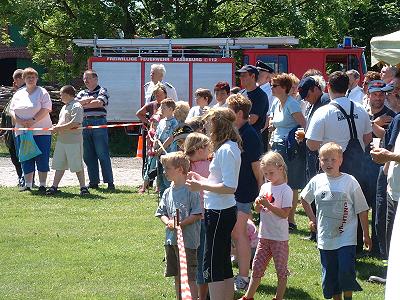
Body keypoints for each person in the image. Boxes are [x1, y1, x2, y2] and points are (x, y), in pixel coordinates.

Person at [306, 71, 372, 253]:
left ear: (328, 87)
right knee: (356, 203)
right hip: (358, 164)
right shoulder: (360, 109)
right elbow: (367, 138)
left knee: (333, 207)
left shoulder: (323, 111)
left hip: (332, 166)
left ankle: (334, 241)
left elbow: (311, 145)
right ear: (347, 87)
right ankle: (357, 241)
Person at [301, 142, 371, 300]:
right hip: (326, 237)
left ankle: (348, 297)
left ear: (341, 160)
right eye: (324, 159)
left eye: (333, 159)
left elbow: (362, 208)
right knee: (330, 274)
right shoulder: (317, 181)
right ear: (319, 160)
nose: (328, 163)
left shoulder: (349, 181)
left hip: (347, 237)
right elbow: (304, 199)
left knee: (346, 270)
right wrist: (312, 219)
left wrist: (366, 234)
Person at [186, 107, 241, 300]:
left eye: (209, 124)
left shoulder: (226, 150)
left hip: (219, 212)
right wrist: (202, 179)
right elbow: (221, 181)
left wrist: (201, 184)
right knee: (222, 264)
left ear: (218, 125)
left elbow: (229, 186)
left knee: (213, 265)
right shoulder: (228, 147)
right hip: (220, 210)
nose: (207, 128)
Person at [240, 151, 292, 300]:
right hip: (264, 236)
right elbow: (257, 209)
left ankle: (278, 297)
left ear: (281, 168)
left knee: (281, 271)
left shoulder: (286, 190)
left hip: (279, 238)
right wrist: (258, 205)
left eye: (271, 173)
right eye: (266, 174)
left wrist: (267, 204)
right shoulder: (265, 187)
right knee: (256, 268)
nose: (268, 176)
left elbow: (284, 214)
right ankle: (248, 297)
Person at [227, 94, 263, 291]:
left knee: (240, 233)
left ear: (239, 113)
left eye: (229, 110)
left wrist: (260, 192)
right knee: (235, 232)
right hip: (233, 191)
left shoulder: (249, 135)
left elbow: (257, 167)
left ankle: (243, 276)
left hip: (245, 192)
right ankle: (238, 269)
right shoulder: (235, 132)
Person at [155, 151, 202, 300]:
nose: (164, 171)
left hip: (188, 242)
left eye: (167, 168)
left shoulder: (191, 190)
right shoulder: (167, 192)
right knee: (177, 276)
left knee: (189, 278)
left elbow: (197, 214)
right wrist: (168, 222)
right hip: (171, 241)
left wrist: (181, 223)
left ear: (180, 169)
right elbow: (161, 212)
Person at [269, 73, 306, 231]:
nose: (272, 88)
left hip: (290, 147)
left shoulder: (292, 104)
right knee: (277, 180)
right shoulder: (275, 102)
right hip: (276, 144)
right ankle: (277, 213)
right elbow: (272, 122)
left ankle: (290, 220)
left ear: (284, 88)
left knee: (291, 183)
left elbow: (304, 124)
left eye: (275, 86)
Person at [297, 74, 330, 241]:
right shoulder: (313, 103)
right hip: (313, 154)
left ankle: (319, 231)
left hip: (321, 155)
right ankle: (315, 230)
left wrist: (306, 135)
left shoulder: (324, 102)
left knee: (320, 194)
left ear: (315, 89)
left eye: (308, 95)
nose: (307, 100)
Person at [9, 67, 52, 193]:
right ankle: (28, 184)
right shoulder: (18, 94)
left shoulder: (42, 92)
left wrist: (33, 120)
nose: (31, 79)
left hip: (41, 132)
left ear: (37, 79)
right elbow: (11, 110)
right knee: (26, 157)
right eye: (28, 77)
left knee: (42, 157)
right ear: (24, 79)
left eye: (33, 77)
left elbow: (46, 108)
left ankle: (43, 184)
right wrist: (20, 121)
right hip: (22, 131)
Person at [46, 85, 89, 196]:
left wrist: (58, 128)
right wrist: (57, 126)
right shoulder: (65, 107)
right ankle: (54, 187)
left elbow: (75, 123)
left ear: (67, 94)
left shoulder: (76, 106)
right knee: (60, 164)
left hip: (73, 140)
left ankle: (83, 187)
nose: (60, 96)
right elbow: (64, 122)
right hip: (62, 140)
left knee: (77, 164)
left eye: (61, 94)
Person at [76, 69, 115, 190]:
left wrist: (85, 103)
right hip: (84, 123)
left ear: (95, 79)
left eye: (87, 78)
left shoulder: (103, 90)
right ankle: (93, 181)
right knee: (88, 155)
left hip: (99, 122)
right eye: (84, 78)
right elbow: (76, 104)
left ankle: (109, 182)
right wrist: (88, 101)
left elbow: (99, 103)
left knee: (102, 153)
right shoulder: (82, 92)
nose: (85, 80)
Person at [184, 132, 211, 300]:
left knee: (193, 259)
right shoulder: (208, 166)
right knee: (204, 258)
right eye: (208, 147)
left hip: (190, 218)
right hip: (204, 216)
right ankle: (203, 295)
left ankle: (193, 292)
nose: (210, 150)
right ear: (200, 149)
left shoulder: (186, 166)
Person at [136, 83, 168, 193]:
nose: (157, 97)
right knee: (150, 162)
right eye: (156, 95)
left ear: (165, 94)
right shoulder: (151, 105)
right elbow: (139, 114)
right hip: (153, 138)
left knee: (164, 163)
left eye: (159, 94)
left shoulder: (169, 105)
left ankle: (159, 186)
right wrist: (149, 123)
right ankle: (145, 186)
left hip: (166, 138)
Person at [0, 69, 25, 188]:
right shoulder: (17, 93)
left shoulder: (25, 92)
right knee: (15, 156)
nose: (14, 82)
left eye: (15, 79)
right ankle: (21, 177)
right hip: (10, 131)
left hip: (18, 130)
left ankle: (25, 179)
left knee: (21, 156)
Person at [237, 65, 269, 146]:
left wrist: (233, 123)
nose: (241, 78)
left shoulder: (260, 95)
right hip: (239, 136)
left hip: (252, 138)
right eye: (240, 76)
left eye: (244, 75)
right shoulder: (240, 94)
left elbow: (252, 119)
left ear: (253, 76)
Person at [154, 98, 179, 197]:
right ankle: (162, 195)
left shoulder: (174, 123)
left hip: (169, 153)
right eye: (161, 107)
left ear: (170, 109)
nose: (161, 109)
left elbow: (171, 138)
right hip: (160, 154)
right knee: (160, 174)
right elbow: (157, 134)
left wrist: (161, 149)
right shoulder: (161, 122)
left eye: (163, 108)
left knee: (167, 174)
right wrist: (155, 144)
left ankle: (170, 196)